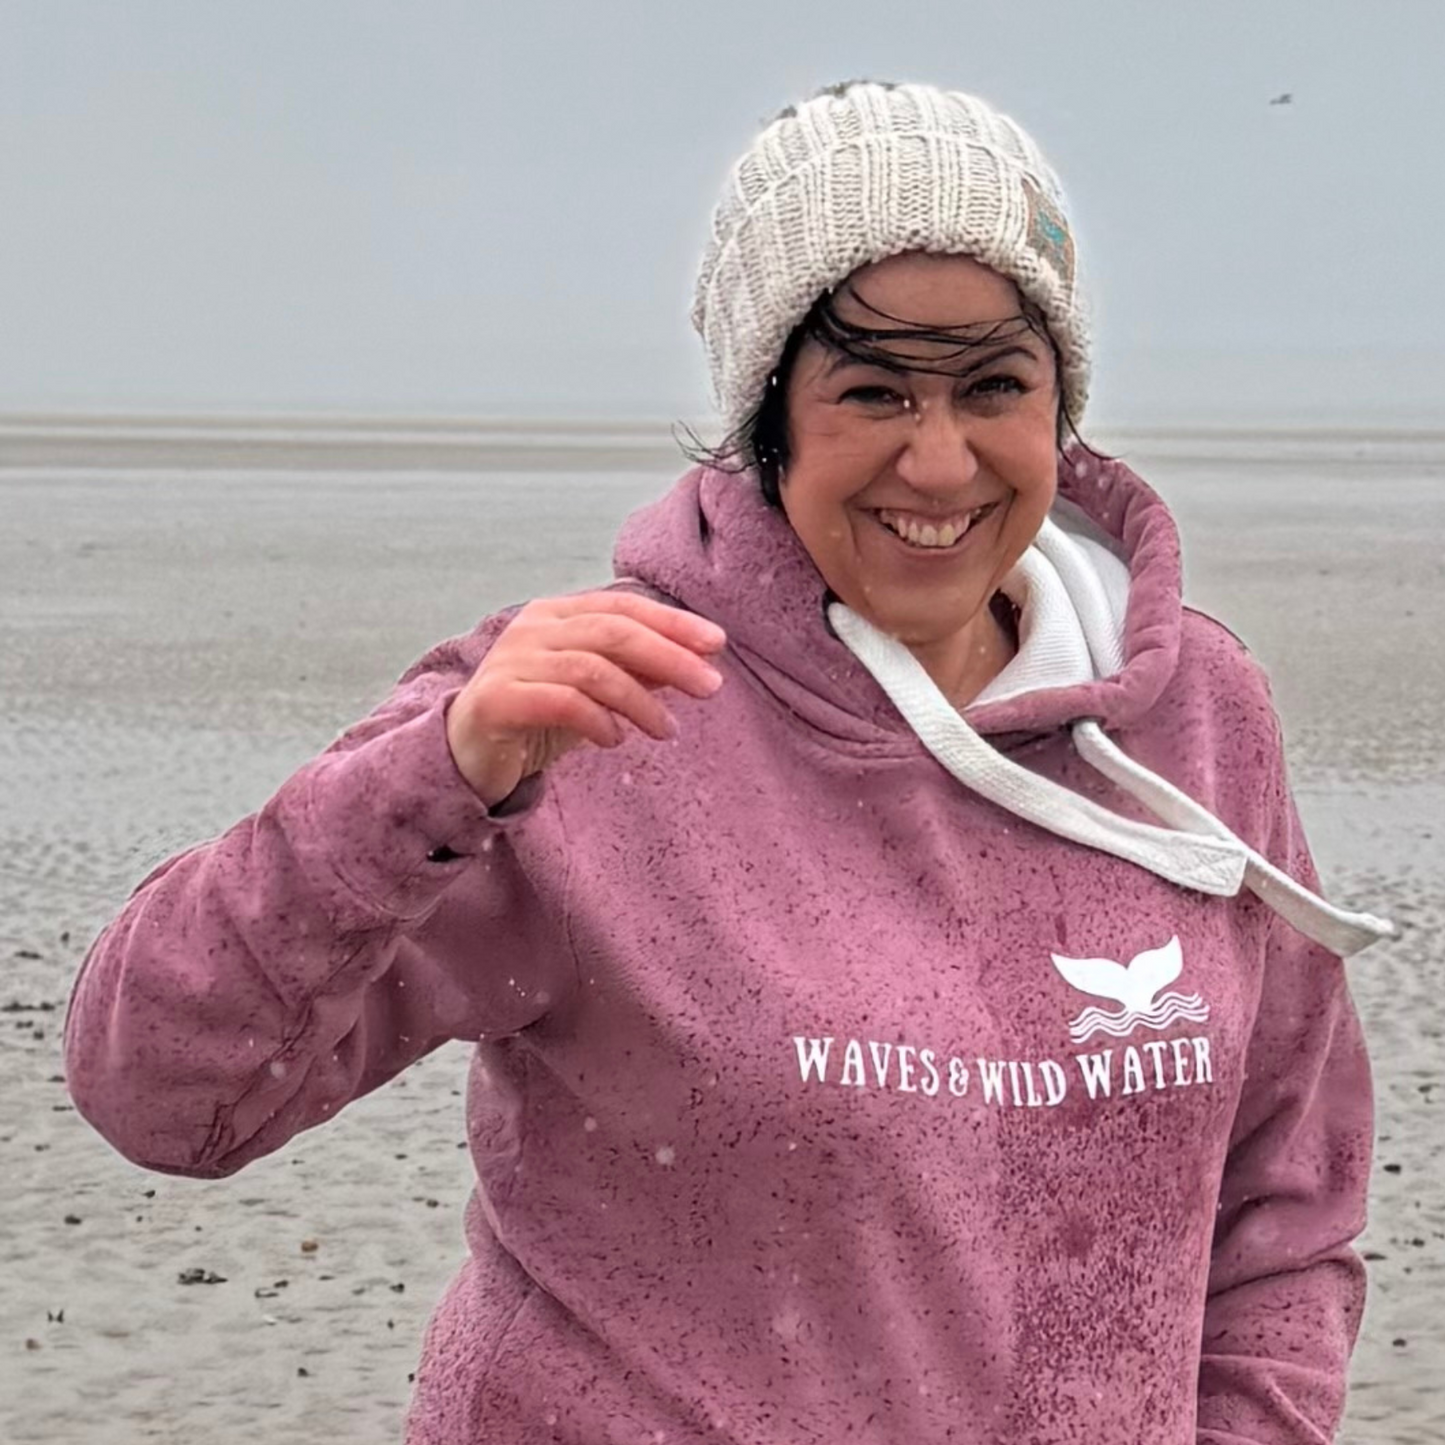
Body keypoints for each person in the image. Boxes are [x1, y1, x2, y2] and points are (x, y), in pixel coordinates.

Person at [65, 80, 1392, 1444]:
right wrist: (433, 777)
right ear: (765, 413)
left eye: (996, 386)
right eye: (869, 390)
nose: (939, 463)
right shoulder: (577, 716)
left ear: (1063, 405)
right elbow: (165, 1094)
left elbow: (1287, 1205)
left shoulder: (1196, 715)